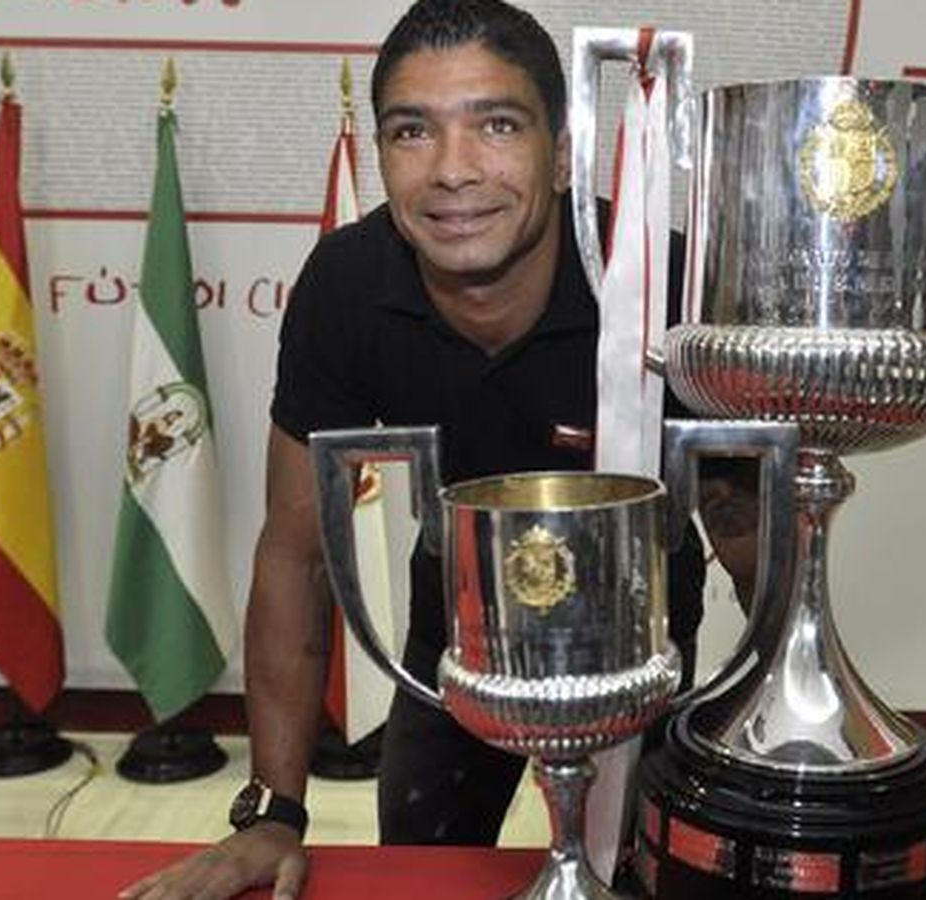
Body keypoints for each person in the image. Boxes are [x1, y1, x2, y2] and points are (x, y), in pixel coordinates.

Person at [120, 2, 748, 897]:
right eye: (414, 131)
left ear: (564, 150)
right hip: (455, 659)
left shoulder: (664, 278)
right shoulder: (344, 284)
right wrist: (271, 812)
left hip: (645, 666)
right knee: (421, 879)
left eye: (497, 124)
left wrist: (793, 736)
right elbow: (294, 554)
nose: (454, 171)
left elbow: (751, 538)